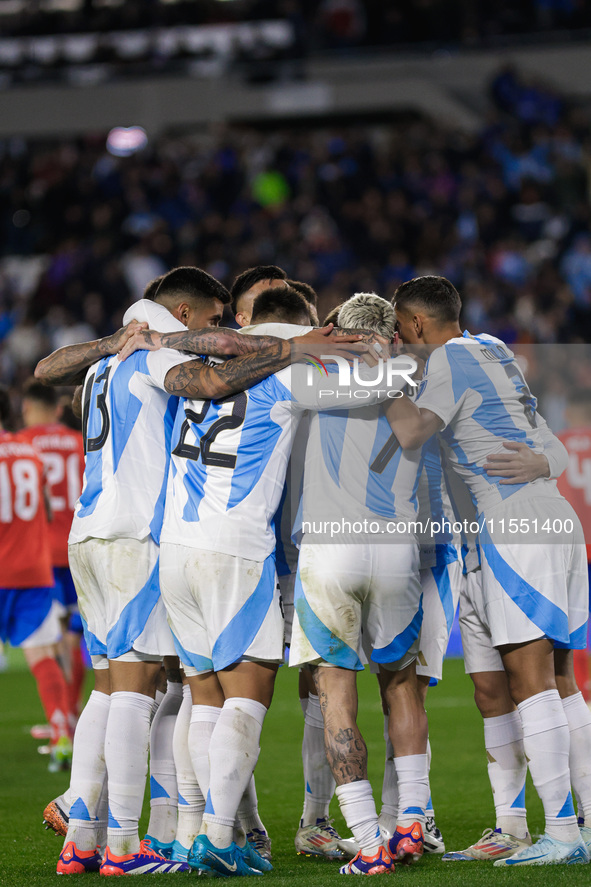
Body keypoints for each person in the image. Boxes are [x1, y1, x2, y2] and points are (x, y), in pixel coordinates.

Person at [35, 265, 327, 876]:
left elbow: (45, 369)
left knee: (116, 685)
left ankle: (83, 832)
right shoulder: (151, 358)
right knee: (144, 692)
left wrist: (114, 341)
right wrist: (293, 347)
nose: (221, 329)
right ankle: (119, 844)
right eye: (214, 317)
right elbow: (216, 376)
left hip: (88, 534)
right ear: (186, 316)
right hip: (140, 537)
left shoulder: (104, 363)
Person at [147, 304, 393, 877]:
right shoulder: (290, 375)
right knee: (248, 694)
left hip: (176, 549)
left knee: (203, 694)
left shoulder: (185, 366)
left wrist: (157, 335)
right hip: (236, 548)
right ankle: (219, 838)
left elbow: (217, 346)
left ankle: (196, 835)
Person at [386, 274, 591, 866]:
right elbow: (540, 431)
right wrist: (550, 458)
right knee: (495, 688)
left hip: (514, 525)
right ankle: (512, 827)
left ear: (418, 324)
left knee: (539, 680)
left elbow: (411, 433)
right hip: (493, 534)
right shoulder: (493, 349)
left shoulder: (449, 356)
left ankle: (565, 832)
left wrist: (374, 376)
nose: (400, 342)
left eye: (401, 331)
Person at [290, 292, 427, 875]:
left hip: (331, 548)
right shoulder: (413, 382)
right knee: (401, 685)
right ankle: (412, 820)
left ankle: (368, 841)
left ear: (336, 329)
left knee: (336, 691)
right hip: (397, 549)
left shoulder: (312, 373)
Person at [0, 385, 72, 773]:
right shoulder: (30, 453)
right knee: (43, 654)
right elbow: (43, 509)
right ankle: (62, 733)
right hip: (33, 571)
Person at [20, 379, 86, 731]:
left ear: (26, 408)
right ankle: (71, 713)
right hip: (79, 546)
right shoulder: (80, 443)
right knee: (73, 638)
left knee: (49, 641)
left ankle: (61, 719)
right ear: (58, 409)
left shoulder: (22, 444)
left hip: (42, 555)